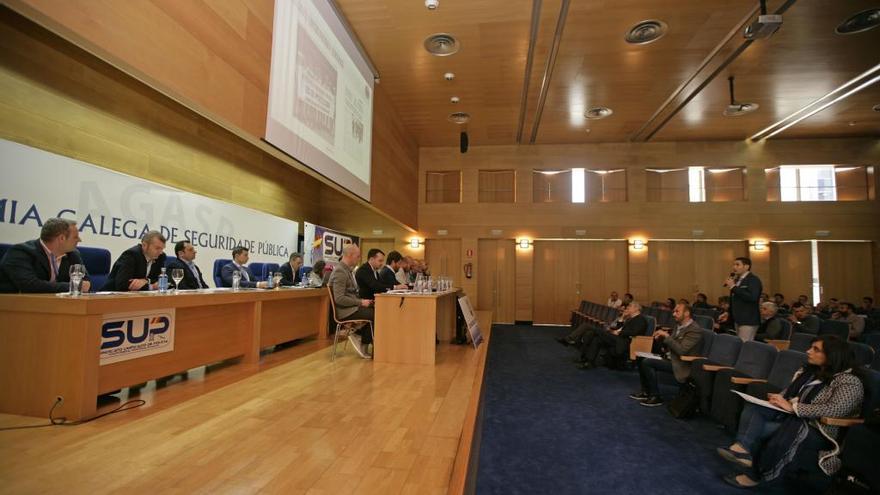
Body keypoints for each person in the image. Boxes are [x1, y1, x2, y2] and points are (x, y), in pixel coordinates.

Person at [717, 335, 864, 489]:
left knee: (763, 430)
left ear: (832, 355)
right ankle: (742, 449)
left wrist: (793, 407)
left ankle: (755, 475)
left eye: (816, 349)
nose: (808, 351)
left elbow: (835, 409)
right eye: (810, 347)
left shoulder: (849, 381)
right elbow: (791, 393)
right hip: (794, 417)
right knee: (755, 408)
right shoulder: (811, 372)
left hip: (818, 429)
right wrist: (779, 398)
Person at [629, 303, 703, 407]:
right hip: (670, 358)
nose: (673, 314)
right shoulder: (679, 326)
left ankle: (656, 396)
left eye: (677, 311)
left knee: (647, 362)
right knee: (641, 356)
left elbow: (682, 350)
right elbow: (671, 345)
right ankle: (646, 392)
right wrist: (662, 341)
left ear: (686, 313)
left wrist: (667, 336)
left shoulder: (694, 330)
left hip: (682, 364)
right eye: (674, 311)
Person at [0, 218, 91, 293]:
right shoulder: (20, 252)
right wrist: (74, 286)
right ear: (62, 238)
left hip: (56, 307)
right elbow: (29, 285)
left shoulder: (73, 254)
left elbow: (86, 284)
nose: (79, 240)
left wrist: (79, 286)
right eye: (75, 237)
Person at [328, 244, 373, 358]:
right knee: (375, 314)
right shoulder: (340, 272)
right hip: (344, 311)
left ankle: (360, 335)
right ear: (350, 255)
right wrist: (360, 302)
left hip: (351, 307)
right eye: (357, 256)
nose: (359, 259)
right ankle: (362, 340)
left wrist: (362, 301)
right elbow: (339, 298)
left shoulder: (346, 270)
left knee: (375, 310)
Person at [578, 302, 647, 369]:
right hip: (618, 338)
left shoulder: (641, 319)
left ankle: (583, 332)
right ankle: (589, 362)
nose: (627, 308)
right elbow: (618, 327)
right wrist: (622, 317)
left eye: (630, 306)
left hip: (625, 342)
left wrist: (619, 332)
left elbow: (634, 332)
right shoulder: (630, 318)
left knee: (594, 331)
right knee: (597, 339)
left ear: (636, 309)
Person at [102, 230, 167, 291]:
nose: (160, 252)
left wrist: (146, 280)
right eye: (157, 248)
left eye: (162, 249)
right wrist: (151, 287)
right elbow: (123, 285)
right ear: (144, 245)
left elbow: (160, 280)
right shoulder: (131, 255)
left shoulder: (160, 257)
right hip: (109, 297)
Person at [723, 256, 763, 341]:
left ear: (746, 266)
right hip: (738, 319)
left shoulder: (753, 280)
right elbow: (735, 300)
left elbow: (752, 297)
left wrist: (733, 287)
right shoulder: (737, 280)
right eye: (734, 265)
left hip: (748, 320)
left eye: (737, 265)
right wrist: (728, 313)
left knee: (745, 346)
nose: (734, 267)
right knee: (740, 345)